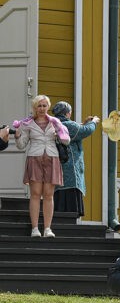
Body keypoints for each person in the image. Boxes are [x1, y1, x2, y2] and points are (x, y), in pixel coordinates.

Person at [13, 95, 70, 237]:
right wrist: (18, 135)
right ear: (34, 107)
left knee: (49, 195)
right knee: (35, 194)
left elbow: (66, 141)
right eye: (39, 105)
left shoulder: (55, 122)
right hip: (35, 159)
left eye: (44, 105)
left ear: (48, 107)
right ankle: (34, 229)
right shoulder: (27, 124)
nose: (42, 108)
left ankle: (47, 229)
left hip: (52, 158)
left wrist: (59, 131)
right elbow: (21, 146)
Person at [49, 102, 98, 218]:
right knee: (69, 189)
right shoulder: (68, 125)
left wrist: (84, 123)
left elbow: (76, 128)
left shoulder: (53, 124)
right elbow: (84, 131)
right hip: (69, 165)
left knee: (58, 190)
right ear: (67, 113)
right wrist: (94, 122)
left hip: (55, 165)